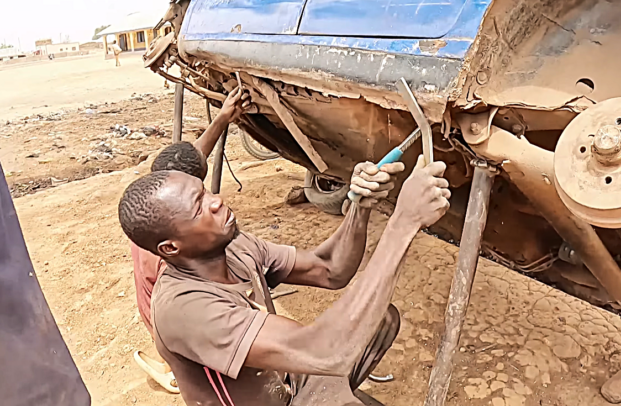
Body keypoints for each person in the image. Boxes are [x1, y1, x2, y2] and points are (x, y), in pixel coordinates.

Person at [117, 153, 450, 405]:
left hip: (289, 385)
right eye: (199, 206)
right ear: (171, 247)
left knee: (379, 319)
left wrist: (360, 207)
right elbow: (326, 351)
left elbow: (329, 268)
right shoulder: (186, 310)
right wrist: (404, 222)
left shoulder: (233, 247)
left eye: (206, 192)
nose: (217, 201)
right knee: (345, 342)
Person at [130, 87, 250, 393]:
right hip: (170, 328)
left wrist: (223, 117)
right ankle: (177, 366)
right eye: (197, 198)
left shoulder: (151, 208)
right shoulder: (174, 256)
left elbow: (195, 155)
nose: (213, 200)